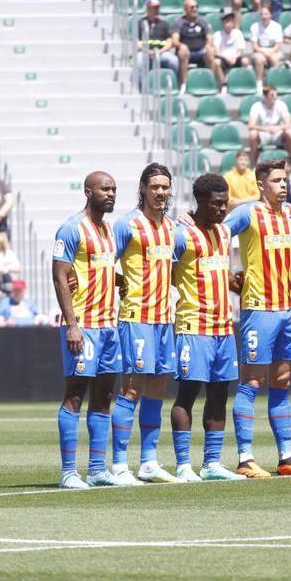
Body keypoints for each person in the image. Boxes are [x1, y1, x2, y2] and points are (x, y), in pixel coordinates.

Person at [224, 159, 291, 477]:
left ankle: (286, 458)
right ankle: (245, 458)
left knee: (282, 381)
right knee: (251, 381)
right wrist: (226, 275)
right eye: (277, 180)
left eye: (285, 179)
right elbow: (217, 237)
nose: (283, 185)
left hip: (286, 310)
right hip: (257, 310)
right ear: (261, 184)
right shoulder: (247, 212)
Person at [166, 174, 245, 482]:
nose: (223, 209)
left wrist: (233, 283)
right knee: (187, 393)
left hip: (223, 326)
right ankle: (183, 464)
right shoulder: (181, 235)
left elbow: (216, 271)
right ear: (199, 202)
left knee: (219, 394)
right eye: (216, 203)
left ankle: (212, 463)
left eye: (225, 202)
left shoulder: (224, 234)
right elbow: (164, 272)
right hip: (192, 324)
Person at [109, 163, 181, 485]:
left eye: (165, 187)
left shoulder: (171, 227)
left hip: (165, 318)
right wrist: (119, 280)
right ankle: (119, 464)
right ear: (142, 188)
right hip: (136, 317)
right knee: (132, 388)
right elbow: (101, 261)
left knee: (158, 388)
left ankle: (149, 461)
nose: (160, 192)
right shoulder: (128, 224)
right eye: (154, 186)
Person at [51, 171, 123, 489]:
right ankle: (68, 471)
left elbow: (101, 271)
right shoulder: (71, 228)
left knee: (104, 397)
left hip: (110, 326)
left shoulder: (108, 230)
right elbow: (59, 275)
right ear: (87, 192)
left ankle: (96, 468)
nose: (110, 194)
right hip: (85, 325)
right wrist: (72, 325)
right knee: (75, 395)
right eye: (104, 189)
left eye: (114, 189)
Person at [172, 0, 226, 91]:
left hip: (201, 51)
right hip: (187, 52)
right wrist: (181, 45)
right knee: (183, 51)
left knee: (210, 50)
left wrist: (207, 45)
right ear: (185, 9)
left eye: (196, 7)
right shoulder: (179, 22)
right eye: (192, 7)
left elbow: (209, 37)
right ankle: (184, 84)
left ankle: (210, 81)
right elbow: (175, 40)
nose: (195, 9)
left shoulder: (202, 21)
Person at [246, 86, 291, 156]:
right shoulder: (257, 106)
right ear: (265, 96)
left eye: (276, 94)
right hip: (262, 133)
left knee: (290, 133)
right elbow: (250, 125)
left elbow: (289, 124)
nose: (275, 97)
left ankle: (289, 159)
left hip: (278, 133)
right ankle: (254, 162)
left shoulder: (281, 104)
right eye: (272, 95)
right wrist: (266, 129)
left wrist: (277, 128)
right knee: (252, 134)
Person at [249, 5, 284, 83]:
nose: (264, 16)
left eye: (266, 14)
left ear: (270, 15)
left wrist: (270, 53)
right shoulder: (254, 26)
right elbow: (254, 46)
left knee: (274, 59)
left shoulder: (277, 26)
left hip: (274, 50)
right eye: (262, 14)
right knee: (259, 59)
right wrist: (264, 53)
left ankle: (275, 81)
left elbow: (278, 45)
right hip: (260, 50)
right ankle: (259, 82)